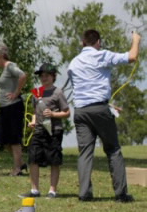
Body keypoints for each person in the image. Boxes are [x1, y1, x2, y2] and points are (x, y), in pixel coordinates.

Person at [68, 29, 140, 203]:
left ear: (82, 42)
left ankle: (84, 193)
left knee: (85, 152)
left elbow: (80, 89)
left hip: (80, 111)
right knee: (113, 149)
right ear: (98, 42)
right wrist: (136, 40)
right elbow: (131, 57)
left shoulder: (73, 63)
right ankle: (121, 193)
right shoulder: (102, 56)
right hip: (99, 109)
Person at [20, 63, 70, 198]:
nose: (44, 78)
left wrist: (54, 115)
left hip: (54, 131)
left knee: (54, 160)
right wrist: (33, 121)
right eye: (41, 76)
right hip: (39, 131)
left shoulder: (58, 92)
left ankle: (52, 190)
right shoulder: (36, 93)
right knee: (33, 159)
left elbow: (67, 113)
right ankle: (34, 190)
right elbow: (37, 112)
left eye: (47, 76)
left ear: (53, 77)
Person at [0, 43, 29, 176]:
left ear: (0, 55)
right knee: (4, 139)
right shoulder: (4, 70)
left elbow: (23, 75)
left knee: (14, 139)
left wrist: (16, 93)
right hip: (5, 108)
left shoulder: (10, 66)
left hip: (13, 107)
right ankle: (21, 163)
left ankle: (17, 169)